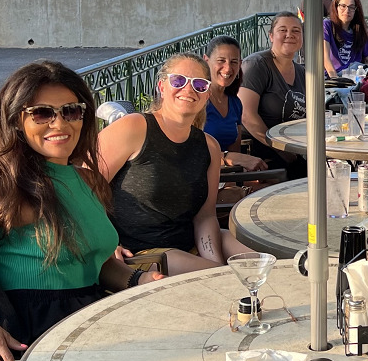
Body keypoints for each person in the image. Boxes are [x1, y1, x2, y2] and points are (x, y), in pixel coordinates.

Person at [0, 61, 163, 361]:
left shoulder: (88, 180)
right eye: (41, 113)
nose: (59, 122)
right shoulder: (4, 183)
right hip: (36, 333)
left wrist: (140, 279)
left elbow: (98, 265)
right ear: (16, 121)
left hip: (89, 315)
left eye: (71, 111)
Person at [98, 52, 253, 275]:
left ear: (207, 94)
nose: (188, 89)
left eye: (199, 85)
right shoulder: (134, 128)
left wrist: (215, 261)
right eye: (178, 81)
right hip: (142, 252)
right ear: (162, 87)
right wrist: (105, 241)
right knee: (221, 277)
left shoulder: (209, 146)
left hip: (190, 241)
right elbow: (85, 188)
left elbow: (205, 215)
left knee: (261, 264)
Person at [239, 11, 307, 176]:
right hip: (261, 151)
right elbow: (246, 115)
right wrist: (282, 150)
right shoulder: (257, 65)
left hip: (294, 148)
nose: (289, 35)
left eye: (296, 31)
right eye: (282, 30)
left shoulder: (303, 72)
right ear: (271, 36)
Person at [202, 35, 268, 172]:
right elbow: (190, 154)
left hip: (226, 175)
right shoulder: (197, 101)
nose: (227, 69)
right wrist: (227, 157)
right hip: (202, 176)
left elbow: (236, 154)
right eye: (221, 61)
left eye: (233, 62)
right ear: (206, 61)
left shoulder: (235, 103)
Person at [323, 0, 368, 78]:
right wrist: (335, 80)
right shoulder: (327, 26)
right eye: (343, 6)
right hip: (333, 76)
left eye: (351, 7)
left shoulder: (359, 31)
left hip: (355, 76)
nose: (347, 10)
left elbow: (366, 61)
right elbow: (325, 58)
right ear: (336, 7)